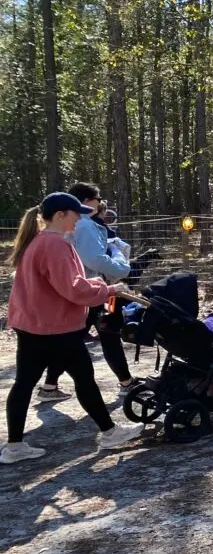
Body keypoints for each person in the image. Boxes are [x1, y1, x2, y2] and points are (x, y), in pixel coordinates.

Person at [2, 193, 144, 464]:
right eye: (75, 213)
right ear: (59, 216)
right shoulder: (56, 245)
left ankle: (14, 446)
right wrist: (109, 288)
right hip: (55, 327)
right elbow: (74, 288)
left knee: (23, 384)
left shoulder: (37, 241)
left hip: (32, 325)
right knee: (84, 378)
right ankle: (110, 432)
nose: (80, 218)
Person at [64, 182, 138, 394]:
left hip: (91, 289)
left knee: (99, 333)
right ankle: (125, 381)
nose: (100, 202)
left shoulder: (82, 224)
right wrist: (120, 264)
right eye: (97, 199)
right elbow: (95, 259)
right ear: (88, 201)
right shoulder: (85, 225)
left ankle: (125, 380)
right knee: (106, 332)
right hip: (94, 289)